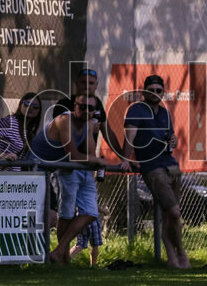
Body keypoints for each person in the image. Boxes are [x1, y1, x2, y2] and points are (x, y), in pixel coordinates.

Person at [50, 67, 125, 247]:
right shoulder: (63, 104)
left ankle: (60, 252)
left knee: (91, 212)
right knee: (66, 213)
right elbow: (67, 143)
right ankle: (62, 256)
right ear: (76, 84)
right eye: (83, 83)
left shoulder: (97, 104)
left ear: (96, 85)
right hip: (66, 167)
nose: (87, 86)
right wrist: (88, 126)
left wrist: (124, 157)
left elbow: (108, 132)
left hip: (88, 167)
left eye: (91, 83)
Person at [29, 94, 110, 264]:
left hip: (58, 168)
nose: (86, 111)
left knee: (91, 213)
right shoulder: (65, 120)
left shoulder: (86, 125)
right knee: (56, 215)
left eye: (91, 108)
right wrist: (99, 160)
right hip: (38, 169)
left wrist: (90, 133)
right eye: (82, 106)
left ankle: (59, 252)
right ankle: (51, 257)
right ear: (75, 106)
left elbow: (88, 154)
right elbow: (73, 154)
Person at [123, 75, 189, 268]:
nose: (155, 93)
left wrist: (174, 141)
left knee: (170, 215)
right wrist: (126, 159)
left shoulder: (164, 113)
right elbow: (130, 137)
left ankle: (172, 259)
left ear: (163, 92)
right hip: (153, 168)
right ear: (144, 91)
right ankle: (182, 254)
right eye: (151, 90)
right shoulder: (136, 109)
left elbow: (170, 137)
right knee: (175, 212)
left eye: (158, 90)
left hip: (171, 165)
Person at [0, 92, 42, 171]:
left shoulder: (30, 131)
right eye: (27, 104)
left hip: (12, 178)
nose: (31, 108)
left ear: (39, 110)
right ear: (20, 105)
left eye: (35, 106)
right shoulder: (10, 122)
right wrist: (2, 155)